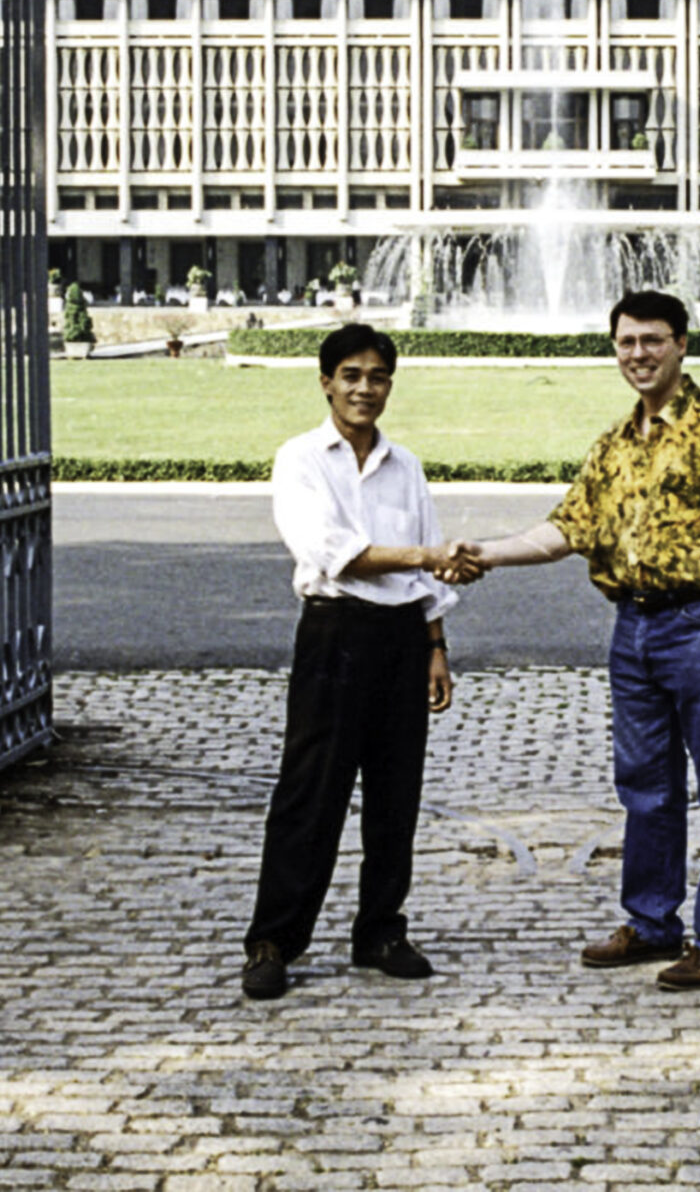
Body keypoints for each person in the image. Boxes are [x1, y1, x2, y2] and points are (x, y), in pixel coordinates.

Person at [462, 290, 700, 990]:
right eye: (626, 342)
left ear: (681, 345)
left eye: (652, 341)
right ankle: (652, 923)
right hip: (633, 628)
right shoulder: (614, 444)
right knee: (645, 787)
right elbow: (565, 530)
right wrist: (485, 551)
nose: (638, 354)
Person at [240, 323, 478, 1002]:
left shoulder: (405, 465)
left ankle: (380, 929)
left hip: (403, 638)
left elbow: (428, 562)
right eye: (351, 376)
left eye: (377, 377)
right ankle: (273, 940)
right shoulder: (300, 459)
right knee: (311, 792)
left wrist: (436, 646)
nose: (364, 389)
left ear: (389, 386)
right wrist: (427, 558)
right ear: (325, 382)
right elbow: (333, 551)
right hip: (335, 632)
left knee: (396, 792)